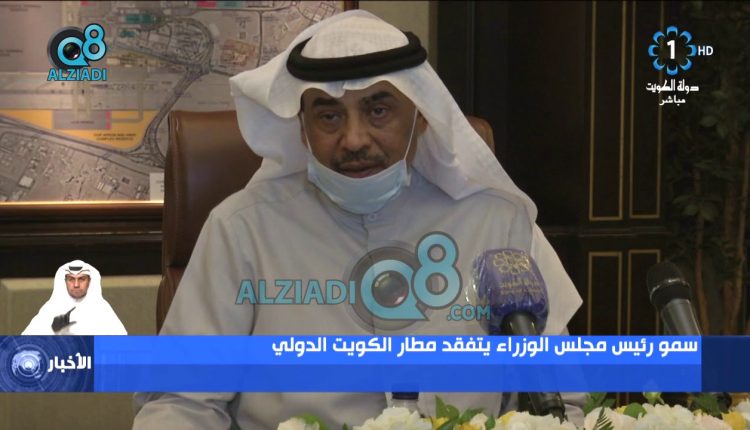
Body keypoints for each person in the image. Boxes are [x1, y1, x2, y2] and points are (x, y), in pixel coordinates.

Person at [133, 9, 584, 429]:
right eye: (329, 116)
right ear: (302, 129)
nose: (353, 139)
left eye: (378, 110)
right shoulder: (243, 230)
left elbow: (562, 400)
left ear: (422, 117)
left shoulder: (498, 225)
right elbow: (181, 401)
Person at [22, 259, 127, 335]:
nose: (76, 285)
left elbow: (122, 347)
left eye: (81, 279)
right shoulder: (50, 309)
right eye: (71, 279)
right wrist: (54, 332)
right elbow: (25, 346)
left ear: (90, 281)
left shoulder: (103, 310)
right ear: (65, 281)